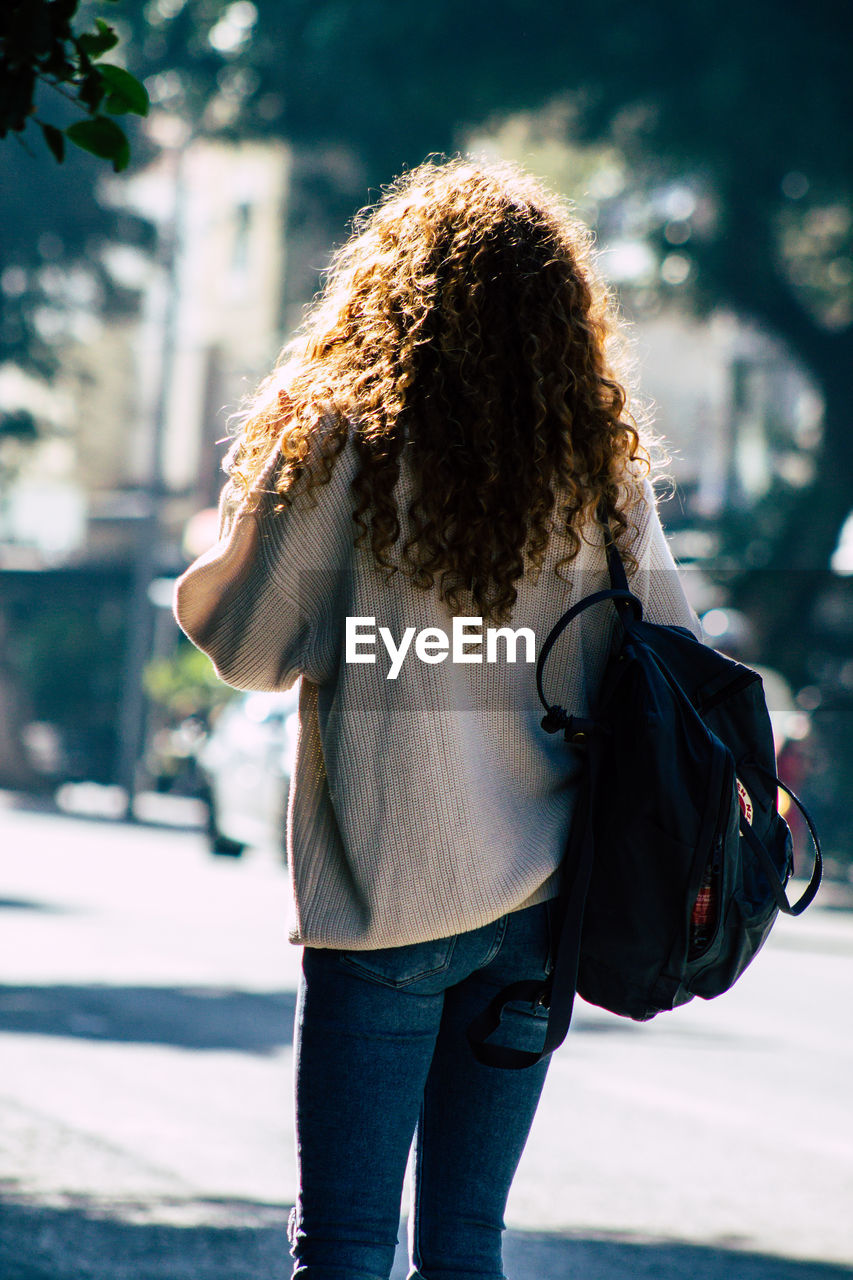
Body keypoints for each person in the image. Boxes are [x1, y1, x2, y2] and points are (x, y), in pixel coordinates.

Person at [173, 155, 699, 1280]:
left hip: (385, 895)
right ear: (562, 318)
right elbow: (671, 655)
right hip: (542, 902)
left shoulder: (335, 447)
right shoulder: (602, 472)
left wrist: (226, 549)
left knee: (349, 1241)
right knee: (466, 1241)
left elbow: (248, 648)